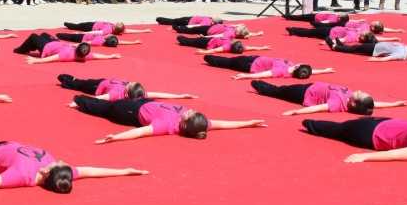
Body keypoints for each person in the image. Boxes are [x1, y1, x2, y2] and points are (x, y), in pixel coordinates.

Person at [0, 127, 148, 198]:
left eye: (58, 162)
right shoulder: (64, 172)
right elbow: (92, 170)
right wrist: (125, 170)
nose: (60, 160)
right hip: (5, 144)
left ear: (48, 172)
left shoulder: (23, 177)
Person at [71, 96, 266, 143]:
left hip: (130, 112)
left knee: (103, 108)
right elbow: (223, 124)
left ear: (184, 123)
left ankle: (78, 100)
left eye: (189, 114)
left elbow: (140, 132)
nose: (188, 111)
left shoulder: (167, 125)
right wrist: (248, 122)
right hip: (146, 102)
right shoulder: (199, 121)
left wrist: (116, 137)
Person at [250, 80, 407, 116]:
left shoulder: (338, 103)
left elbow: (319, 108)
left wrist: (295, 112)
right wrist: (394, 104)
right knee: (282, 89)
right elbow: (376, 104)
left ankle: (259, 86)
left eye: (359, 93)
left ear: (353, 102)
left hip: (304, 93)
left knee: (279, 91)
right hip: (312, 86)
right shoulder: (351, 99)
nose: (358, 90)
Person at [57, 75, 198, 100]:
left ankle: (65, 82)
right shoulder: (139, 92)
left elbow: (101, 98)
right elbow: (158, 94)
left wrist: (79, 101)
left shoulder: (117, 94)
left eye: (131, 84)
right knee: (81, 81)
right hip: (103, 81)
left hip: (96, 87)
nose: (130, 82)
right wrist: (180, 96)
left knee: (79, 84)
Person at [13, 33, 120, 64]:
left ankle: (21, 50)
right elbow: (96, 56)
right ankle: (31, 46)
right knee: (44, 34)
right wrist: (110, 56)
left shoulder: (67, 54)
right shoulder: (84, 56)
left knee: (33, 36)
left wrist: (36, 60)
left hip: (47, 48)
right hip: (55, 43)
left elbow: (53, 58)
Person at [203, 54, 335, 80]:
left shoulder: (281, 71)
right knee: (229, 61)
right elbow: (311, 72)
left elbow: (264, 75)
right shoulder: (293, 67)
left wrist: (246, 76)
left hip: (250, 65)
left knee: (228, 62)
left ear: (297, 67)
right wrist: (324, 71)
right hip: (256, 58)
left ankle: (209, 58)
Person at [326, 39, 407, 62]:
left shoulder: (402, 54)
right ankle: (341, 45)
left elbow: (388, 58)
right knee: (356, 47)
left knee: (355, 49)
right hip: (378, 45)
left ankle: (336, 47)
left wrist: (374, 60)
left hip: (375, 50)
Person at [285, 26, 398, 44]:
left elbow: (341, 40)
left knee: (310, 33)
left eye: (365, 33)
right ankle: (294, 30)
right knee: (310, 32)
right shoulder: (359, 33)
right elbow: (378, 38)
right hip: (333, 28)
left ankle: (293, 30)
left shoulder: (353, 37)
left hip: (329, 32)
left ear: (363, 37)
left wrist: (326, 41)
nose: (365, 31)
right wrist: (394, 36)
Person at [176, 36, 271, 55]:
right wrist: (262, 48)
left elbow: (214, 51)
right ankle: (182, 39)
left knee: (191, 42)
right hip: (211, 39)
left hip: (207, 42)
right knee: (193, 41)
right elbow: (251, 48)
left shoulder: (227, 47)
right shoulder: (240, 47)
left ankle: (181, 39)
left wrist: (204, 52)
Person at [173, 22, 262, 39]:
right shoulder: (234, 29)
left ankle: (179, 29)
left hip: (208, 30)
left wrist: (206, 37)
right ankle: (181, 27)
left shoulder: (230, 33)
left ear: (239, 32)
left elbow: (218, 36)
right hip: (212, 27)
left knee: (193, 30)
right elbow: (247, 33)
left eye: (240, 28)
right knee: (193, 29)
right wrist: (257, 34)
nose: (238, 26)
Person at [62, 21, 152, 36]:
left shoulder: (108, 30)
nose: (118, 22)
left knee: (78, 26)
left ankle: (68, 25)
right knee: (79, 25)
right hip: (94, 23)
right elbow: (129, 31)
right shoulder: (115, 27)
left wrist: (81, 33)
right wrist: (143, 30)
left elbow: (96, 33)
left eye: (119, 24)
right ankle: (70, 25)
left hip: (91, 26)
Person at [54, 32, 141, 47]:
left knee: (68, 37)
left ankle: (58, 35)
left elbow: (87, 42)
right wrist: (133, 42)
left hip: (82, 38)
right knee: (68, 37)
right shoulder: (104, 40)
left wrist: (73, 45)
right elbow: (121, 42)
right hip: (84, 36)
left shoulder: (99, 41)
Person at [156, 15, 222, 27]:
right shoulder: (209, 20)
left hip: (188, 20)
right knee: (173, 21)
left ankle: (159, 19)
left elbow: (198, 26)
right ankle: (160, 19)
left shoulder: (208, 21)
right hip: (188, 20)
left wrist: (188, 26)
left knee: (173, 21)